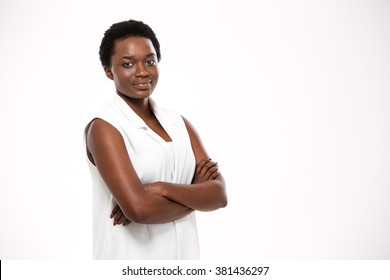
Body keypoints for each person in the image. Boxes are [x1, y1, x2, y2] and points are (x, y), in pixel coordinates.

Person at [84, 19, 227, 260]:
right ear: (109, 71)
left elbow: (219, 196)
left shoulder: (180, 124)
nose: (142, 72)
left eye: (149, 61)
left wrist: (161, 189)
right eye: (127, 64)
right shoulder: (105, 128)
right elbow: (139, 209)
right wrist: (197, 196)